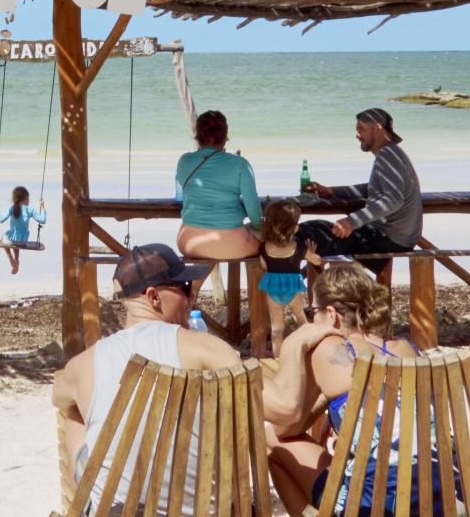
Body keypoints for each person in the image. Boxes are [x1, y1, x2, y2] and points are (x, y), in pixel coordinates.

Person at [52, 243, 239, 515]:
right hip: (197, 511)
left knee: (74, 413)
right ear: (153, 296)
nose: (192, 298)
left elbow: (58, 396)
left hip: (113, 511)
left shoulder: (82, 364)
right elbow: (269, 404)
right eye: (186, 288)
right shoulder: (207, 349)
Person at [262, 264, 439, 517]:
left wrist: (295, 344)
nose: (312, 319)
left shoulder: (329, 349)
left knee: (271, 441)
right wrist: (329, 400)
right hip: (437, 495)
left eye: (313, 311)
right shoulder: (405, 349)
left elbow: (286, 428)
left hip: (374, 505)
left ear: (331, 314)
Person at [299, 108, 422, 275]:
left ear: (377, 129)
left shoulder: (387, 155)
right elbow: (371, 188)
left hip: (388, 239)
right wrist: (332, 191)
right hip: (396, 238)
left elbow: (393, 199)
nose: (357, 135)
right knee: (324, 235)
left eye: (361, 129)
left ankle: (296, 286)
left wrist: (352, 221)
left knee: (312, 232)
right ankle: (334, 289)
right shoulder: (392, 153)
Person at [175, 110, 263, 259]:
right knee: (269, 244)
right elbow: (253, 210)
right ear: (225, 137)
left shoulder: (184, 161)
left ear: (197, 136)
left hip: (189, 242)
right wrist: (259, 230)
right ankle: (260, 283)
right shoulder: (240, 164)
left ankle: (191, 283)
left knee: (208, 257)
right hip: (229, 244)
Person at [257, 200, 323, 356]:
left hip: (272, 288)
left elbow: (264, 266)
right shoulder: (298, 248)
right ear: (294, 227)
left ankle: (278, 359)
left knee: (276, 328)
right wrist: (312, 252)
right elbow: (317, 261)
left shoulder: (264, 247)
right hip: (293, 288)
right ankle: (310, 353)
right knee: (301, 319)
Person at [0, 185, 47, 274]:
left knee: (5, 238)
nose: (29, 200)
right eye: (28, 198)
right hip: (23, 241)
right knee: (16, 239)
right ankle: (16, 259)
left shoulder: (12, 208)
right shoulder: (30, 210)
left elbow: (1, 219)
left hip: (11, 241)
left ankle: (11, 258)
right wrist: (43, 207)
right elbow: (42, 220)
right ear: (25, 198)